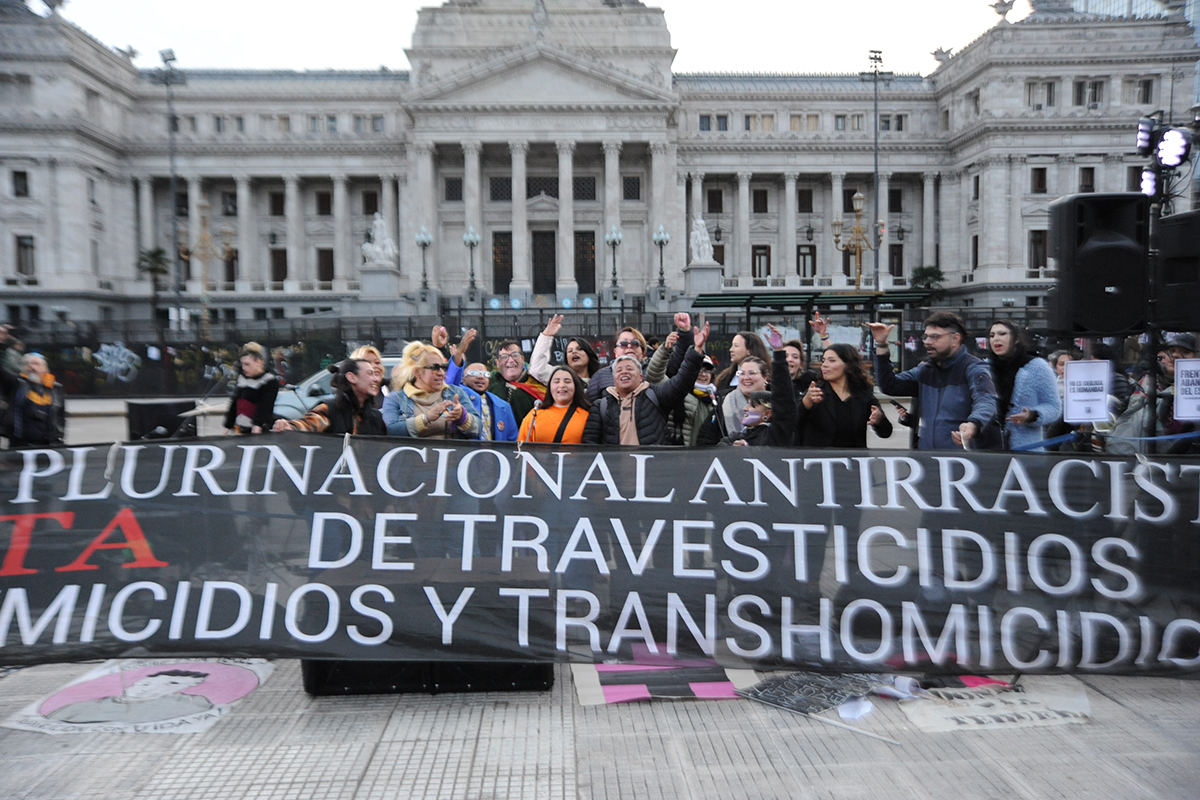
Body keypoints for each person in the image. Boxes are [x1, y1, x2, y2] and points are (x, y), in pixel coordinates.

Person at [867, 311, 1000, 450]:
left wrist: (973, 425)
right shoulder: (926, 369)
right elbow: (889, 385)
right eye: (926, 337)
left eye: (935, 337)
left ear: (955, 339)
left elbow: (985, 400)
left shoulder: (974, 368)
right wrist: (881, 344)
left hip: (962, 460)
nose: (928, 342)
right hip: (927, 459)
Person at [583, 321, 709, 446]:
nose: (624, 372)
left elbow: (682, 383)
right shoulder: (601, 406)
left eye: (630, 369)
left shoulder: (654, 395)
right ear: (613, 377)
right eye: (619, 370)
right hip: (614, 466)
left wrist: (696, 351)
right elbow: (590, 445)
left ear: (640, 376)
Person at [796, 342, 893, 448]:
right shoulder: (815, 392)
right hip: (819, 460)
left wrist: (879, 419)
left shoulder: (863, 394)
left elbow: (886, 432)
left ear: (848, 365)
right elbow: (794, 425)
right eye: (823, 360)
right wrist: (806, 403)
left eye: (832, 360)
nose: (824, 365)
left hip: (853, 460)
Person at [984, 319, 1060, 450]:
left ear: (1016, 339)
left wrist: (1032, 415)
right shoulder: (983, 367)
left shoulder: (1037, 367)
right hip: (988, 448)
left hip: (1026, 449)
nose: (996, 339)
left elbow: (1053, 407)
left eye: (1002, 334)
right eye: (992, 335)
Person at [382, 342, 480, 439]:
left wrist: (463, 418)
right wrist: (425, 418)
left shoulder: (455, 393)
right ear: (417, 372)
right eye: (435, 368)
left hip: (453, 454)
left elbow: (478, 429)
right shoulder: (396, 398)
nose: (441, 373)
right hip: (413, 454)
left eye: (443, 367)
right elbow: (390, 431)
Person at [719, 329, 799, 447]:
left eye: (753, 405)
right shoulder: (741, 435)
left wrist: (778, 353)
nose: (745, 409)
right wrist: (733, 448)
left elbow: (784, 400)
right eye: (742, 373)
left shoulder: (776, 434)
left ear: (767, 413)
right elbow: (716, 447)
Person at [46, 669, 214, 725]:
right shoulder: (77, 709)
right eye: (148, 683)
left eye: (172, 684)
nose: (154, 688)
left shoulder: (191, 704)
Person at [272, 358, 384, 435]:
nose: (376, 379)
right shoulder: (330, 409)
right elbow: (309, 424)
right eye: (370, 373)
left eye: (376, 374)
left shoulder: (376, 417)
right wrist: (290, 427)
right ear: (352, 377)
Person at [646, 331, 717, 447]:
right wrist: (664, 350)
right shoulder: (677, 391)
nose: (703, 374)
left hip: (703, 459)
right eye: (699, 369)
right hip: (678, 457)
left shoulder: (715, 400)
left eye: (707, 370)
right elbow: (655, 375)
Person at [696, 355, 769, 446]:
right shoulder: (723, 403)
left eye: (752, 373)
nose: (746, 377)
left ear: (765, 377)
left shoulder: (777, 404)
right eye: (742, 373)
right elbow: (705, 441)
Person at [518, 365, 591, 444]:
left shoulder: (587, 415)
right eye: (556, 381)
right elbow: (521, 449)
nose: (562, 385)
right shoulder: (534, 415)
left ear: (576, 386)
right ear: (549, 387)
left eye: (567, 381)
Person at [5, 352, 64, 447]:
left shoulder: (55, 388)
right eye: (26, 364)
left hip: (48, 444)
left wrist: (59, 436)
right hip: (21, 444)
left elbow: (60, 416)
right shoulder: (16, 385)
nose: (31, 367)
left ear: (45, 368)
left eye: (35, 363)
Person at [586, 324, 653, 403]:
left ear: (643, 352)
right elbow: (590, 404)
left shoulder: (653, 373)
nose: (629, 346)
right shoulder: (600, 376)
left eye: (635, 343)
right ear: (615, 352)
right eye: (623, 344)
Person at [223, 342, 279, 434]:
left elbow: (265, 406)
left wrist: (257, 425)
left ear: (259, 362)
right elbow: (234, 403)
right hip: (240, 428)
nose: (244, 368)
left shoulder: (269, 381)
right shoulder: (242, 379)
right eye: (242, 364)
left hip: (259, 430)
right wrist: (228, 425)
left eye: (247, 364)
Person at [485, 340, 544, 425]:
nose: (511, 360)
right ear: (497, 363)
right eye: (504, 357)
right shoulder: (488, 383)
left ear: (523, 359)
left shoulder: (538, 384)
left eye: (515, 355)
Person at [530, 314, 600, 385]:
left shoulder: (602, 378)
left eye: (579, 349)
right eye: (570, 351)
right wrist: (546, 336)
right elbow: (537, 371)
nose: (574, 352)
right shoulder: (560, 376)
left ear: (589, 353)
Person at [459, 360, 518, 442]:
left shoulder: (503, 406)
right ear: (463, 380)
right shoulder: (456, 399)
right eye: (473, 373)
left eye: (485, 374)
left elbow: (513, 440)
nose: (480, 376)